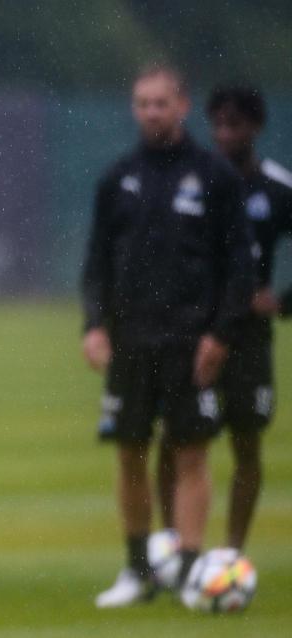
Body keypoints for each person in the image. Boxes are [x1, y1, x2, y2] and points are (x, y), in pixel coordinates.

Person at [81, 64, 254, 608]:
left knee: (191, 454)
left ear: (182, 106)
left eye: (160, 103)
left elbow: (239, 267)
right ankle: (136, 571)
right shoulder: (118, 178)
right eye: (141, 104)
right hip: (130, 341)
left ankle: (185, 571)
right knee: (129, 453)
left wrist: (220, 335)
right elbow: (96, 264)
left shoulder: (214, 176)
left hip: (189, 340)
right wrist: (93, 324)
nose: (150, 113)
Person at [155, 86, 292, 552]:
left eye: (234, 125)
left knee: (246, 441)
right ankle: (172, 544)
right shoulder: (194, 181)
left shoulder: (277, 187)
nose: (224, 134)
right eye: (218, 125)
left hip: (249, 336)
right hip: (193, 330)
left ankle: (231, 552)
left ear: (255, 127)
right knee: (176, 438)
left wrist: (283, 300)